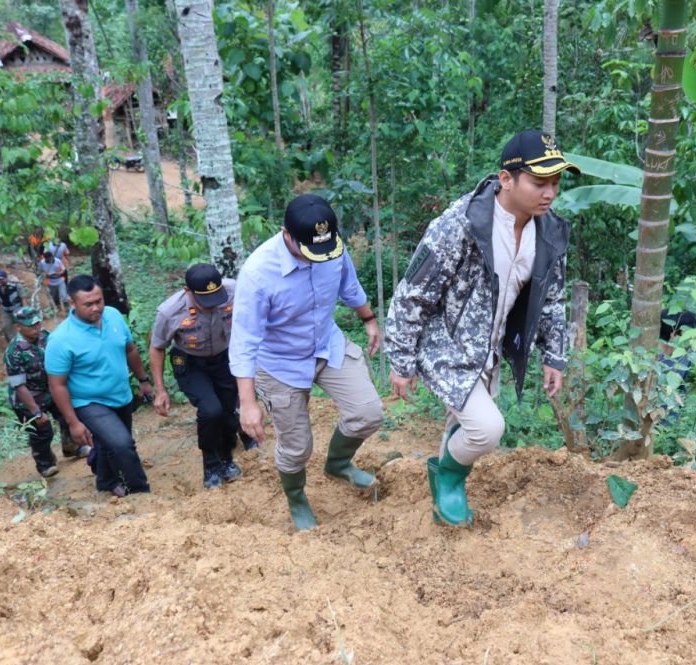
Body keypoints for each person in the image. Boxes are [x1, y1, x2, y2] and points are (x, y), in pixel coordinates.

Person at [385, 129, 578, 527]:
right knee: (487, 429)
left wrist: (554, 356)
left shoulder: (549, 230)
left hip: (490, 347)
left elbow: (552, 297)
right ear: (506, 179)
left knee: (464, 420)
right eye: (539, 182)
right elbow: (413, 294)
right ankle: (449, 476)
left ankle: (445, 494)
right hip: (447, 344)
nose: (550, 193)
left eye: (556, 183)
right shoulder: (461, 224)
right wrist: (401, 361)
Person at [230, 194, 383, 531]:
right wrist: (247, 403)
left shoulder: (330, 247)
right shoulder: (258, 274)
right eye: (309, 250)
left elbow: (349, 285)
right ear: (286, 234)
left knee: (368, 412)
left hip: (326, 345)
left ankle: (338, 464)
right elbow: (243, 342)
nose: (319, 256)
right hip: (280, 363)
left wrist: (369, 319)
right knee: (297, 447)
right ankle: (297, 497)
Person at [150, 263, 254, 490]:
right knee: (210, 410)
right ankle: (211, 466)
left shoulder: (236, 290)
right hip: (191, 363)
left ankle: (226, 460)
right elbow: (157, 347)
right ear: (188, 291)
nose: (212, 305)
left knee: (227, 411)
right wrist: (160, 390)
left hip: (224, 358)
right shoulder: (170, 311)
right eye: (204, 300)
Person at [46, 275, 152, 497]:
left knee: (108, 443)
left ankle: (105, 481)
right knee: (122, 443)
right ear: (72, 303)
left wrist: (143, 380)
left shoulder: (113, 315)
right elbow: (57, 385)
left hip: (121, 394)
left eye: (99, 301)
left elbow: (130, 349)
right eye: (88, 304)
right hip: (89, 402)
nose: (96, 308)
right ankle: (139, 491)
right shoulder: (61, 339)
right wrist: (73, 423)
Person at [5, 306, 84, 478]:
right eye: (31, 325)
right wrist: (36, 411)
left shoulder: (46, 336)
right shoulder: (14, 352)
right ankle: (45, 464)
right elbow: (19, 386)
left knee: (66, 415)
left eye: (37, 323)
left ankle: (72, 447)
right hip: (27, 397)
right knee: (42, 431)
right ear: (18, 327)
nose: (36, 328)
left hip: (50, 389)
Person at [0, 269, 25, 343]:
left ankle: (26, 340)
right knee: (5, 327)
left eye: (1, 279)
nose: (0, 281)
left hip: (17, 309)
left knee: (23, 325)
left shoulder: (16, 286)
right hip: (6, 311)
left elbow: (23, 298)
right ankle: (13, 343)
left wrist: (24, 310)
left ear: (6, 278)